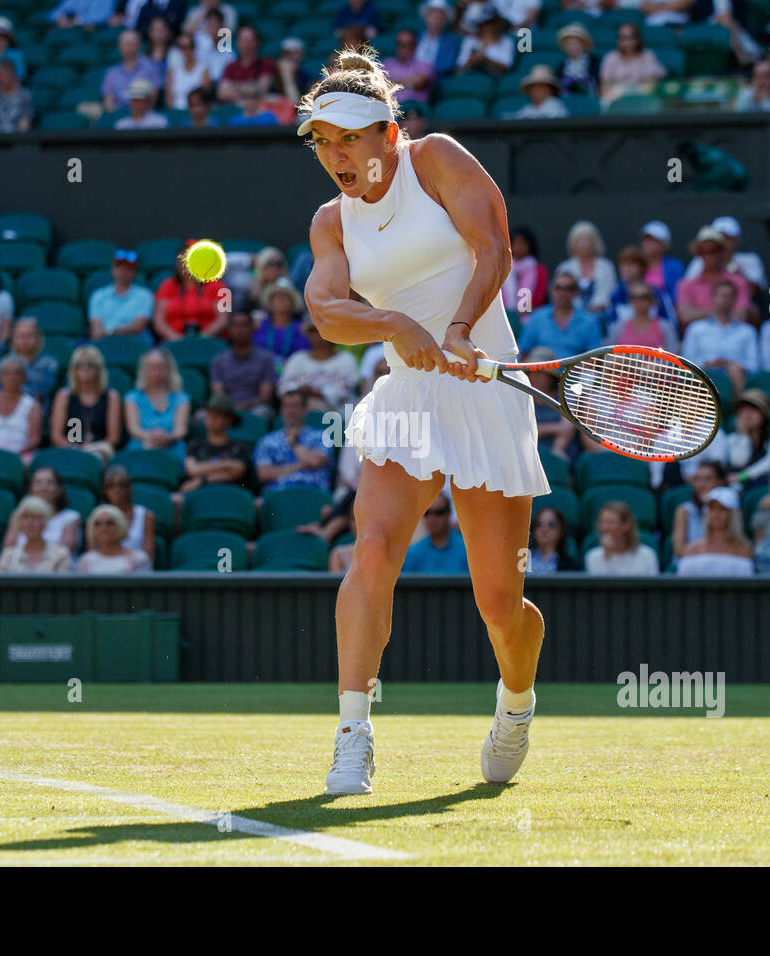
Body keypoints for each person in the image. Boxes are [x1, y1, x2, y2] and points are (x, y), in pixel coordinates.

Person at [298, 49, 550, 795]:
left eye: (349, 138)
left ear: (387, 131)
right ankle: (352, 735)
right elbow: (325, 310)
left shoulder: (435, 159)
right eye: (323, 141)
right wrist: (395, 324)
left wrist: (464, 326)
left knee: (500, 603)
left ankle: (516, 702)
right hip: (408, 398)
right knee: (371, 550)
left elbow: (493, 248)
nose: (336, 155)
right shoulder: (330, 222)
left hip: (487, 391)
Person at [680, 277, 758, 392]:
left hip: (735, 377)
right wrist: (708, 364)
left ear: (734, 299)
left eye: (729, 296)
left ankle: (737, 408)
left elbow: (754, 365)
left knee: (735, 370)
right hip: (703, 376)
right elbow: (686, 362)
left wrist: (730, 364)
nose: (725, 300)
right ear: (713, 298)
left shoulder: (747, 331)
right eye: (721, 296)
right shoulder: (696, 328)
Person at [50, 344, 123, 462]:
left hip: (100, 449)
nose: (85, 368)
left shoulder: (111, 396)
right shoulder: (64, 396)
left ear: (99, 369)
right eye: (80, 365)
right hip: (70, 448)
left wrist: (91, 448)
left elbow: (113, 438)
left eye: (90, 364)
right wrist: (74, 447)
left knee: (97, 458)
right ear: (74, 370)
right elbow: (56, 436)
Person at [254, 388, 332, 495]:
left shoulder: (321, 436)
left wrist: (294, 444)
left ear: (305, 409)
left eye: (296, 406)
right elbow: (263, 474)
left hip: (313, 493)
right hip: (278, 494)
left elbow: (315, 461)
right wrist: (300, 465)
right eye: (287, 406)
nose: (291, 411)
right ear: (281, 410)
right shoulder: (268, 441)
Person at [674, 227, 752, 329]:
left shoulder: (738, 282)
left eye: (713, 251)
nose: (709, 255)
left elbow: (741, 316)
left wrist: (700, 313)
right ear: (699, 254)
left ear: (722, 253)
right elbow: (685, 316)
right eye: (703, 251)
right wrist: (721, 311)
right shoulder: (685, 285)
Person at [277, 319, 359, 413]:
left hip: (338, 415)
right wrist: (300, 390)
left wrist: (319, 393)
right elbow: (283, 387)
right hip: (300, 411)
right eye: (313, 332)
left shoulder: (346, 359)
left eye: (321, 331)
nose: (317, 336)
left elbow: (346, 389)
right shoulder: (297, 358)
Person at [153, 241, 230, 341]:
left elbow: (224, 319)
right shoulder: (167, 285)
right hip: (173, 341)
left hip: (210, 341)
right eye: (182, 259)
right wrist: (177, 340)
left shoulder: (219, 286)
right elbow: (159, 321)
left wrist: (201, 338)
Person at [124, 347, 190, 460]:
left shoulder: (181, 398)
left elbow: (180, 430)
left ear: (169, 369)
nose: (156, 372)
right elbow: (134, 429)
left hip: (172, 446)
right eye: (151, 368)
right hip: (141, 444)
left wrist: (167, 438)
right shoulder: (132, 397)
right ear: (143, 370)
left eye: (161, 367)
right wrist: (150, 437)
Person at [208, 311, 276, 420]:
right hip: (225, 408)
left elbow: (265, 396)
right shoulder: (219, 360)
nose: (239, 330)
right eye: (235, 325)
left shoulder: (266, 359)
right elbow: (218, 393)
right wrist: (232, 407)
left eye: (244, 325)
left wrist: (244, 406)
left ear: (252, 328)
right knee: (202, 416)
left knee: (262, 412)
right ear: (229, 330)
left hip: (255, 407)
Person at [182, 393, 255, 492]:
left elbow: (238, 471)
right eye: (209, 414)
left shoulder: (241, 447)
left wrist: (202, 479)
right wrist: (227, 464)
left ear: (229, 420)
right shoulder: (195, 445)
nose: (212, 418)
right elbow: (193, 470)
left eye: (217, 415)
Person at [676, 486, 755, 576]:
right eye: (712, 508)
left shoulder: (743, 551)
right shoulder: (692, 550)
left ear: (733, 514)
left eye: (722, 509)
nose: (716, 514)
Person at [4, 466, 81, 554]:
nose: (43, 488)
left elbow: (64, 551)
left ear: (59, 489)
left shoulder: (70, 517)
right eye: (38, 483)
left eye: (50, 483)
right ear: (31, 488)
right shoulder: (18, 515)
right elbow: (8, 550)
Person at [524, 347, 576, 461]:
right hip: (529, 454)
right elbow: (523, 431)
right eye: (531, 372)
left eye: (540, 373)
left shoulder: (565, 395)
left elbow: (567, 427)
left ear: (551, 377)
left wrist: (557, 448)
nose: (534, 377)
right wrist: (555, 427)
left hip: (560, 454)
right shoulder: (522, 397)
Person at [553, 220, 616, 315]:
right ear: (573, 244)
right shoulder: (564, 267)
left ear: (595, 243)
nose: (583, 245)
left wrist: (592, 311)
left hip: (601, 315)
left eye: (587, 241)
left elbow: (607, 295)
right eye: (579, 241)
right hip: (571, 316)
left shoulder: (606, 266)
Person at [89, 249, 154, 342]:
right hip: (106, 342)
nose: (123, 272)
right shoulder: (98, 295)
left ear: (134, 273)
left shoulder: (145, 295)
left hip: (134, 342)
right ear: (113, 270)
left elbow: (139, 326)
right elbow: (96, 331)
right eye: (119, 267)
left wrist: (110, 331)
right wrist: (110, 333)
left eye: (128, 269)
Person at [0, 496, 73, 573]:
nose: (30, 523)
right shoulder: (8, 555)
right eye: (25, 517)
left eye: (36, 517)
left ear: (45, 521)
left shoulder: (61, 555)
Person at [726, 388, 770, 489]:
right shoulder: (732, 439)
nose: (747, 415)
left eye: (753, 410)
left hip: (765, 483)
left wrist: (743, 476)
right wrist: (743, 435)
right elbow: (739, 462)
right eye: (743, 410)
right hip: (739, 486)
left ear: (764, 414)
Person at [0, 318, 61, 411]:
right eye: (21, 336)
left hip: (38, 412)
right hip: (7, 410)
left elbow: (43, 390)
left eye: (29, 336)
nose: (25, 340)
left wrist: (13, 389)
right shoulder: (4, 363)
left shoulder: (49, 363)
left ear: (38, 338)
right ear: (13, 339)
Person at [598, 21, 665, 105]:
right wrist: (612, 94)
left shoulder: (647, 56)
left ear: (637, 39)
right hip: (616, 95)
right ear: (618, 40)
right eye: (623, 38)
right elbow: (605, 85)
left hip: (641, 94)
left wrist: (633, 95)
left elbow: (650, 83)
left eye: (630, 38)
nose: (627, 42)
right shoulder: (610, 57)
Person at [584, 501, 658, 575]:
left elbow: (653, 585)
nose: (605, 528)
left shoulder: (647, 555)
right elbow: (598, 585)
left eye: (611, 522)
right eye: (603, 522)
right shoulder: (592, 557)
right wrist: (606, 556)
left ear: (626, 525)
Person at [102, 464, 156, 564]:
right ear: (105, 490)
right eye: (110, 485)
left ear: (129, 487)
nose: (116, 490)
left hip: (135, 570)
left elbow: (148, 558)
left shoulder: (146, 516)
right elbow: (92, 554)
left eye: (121, 485)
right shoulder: (100, 516)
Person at [401, 494, 470, 572]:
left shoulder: (468, 551)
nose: (432, 519)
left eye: (438, 512)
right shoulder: (412, 553)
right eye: (427, 512)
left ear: (449, 513)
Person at [607, 279, 680, 352]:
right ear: (629, 300)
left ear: (652, 300)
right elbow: (609, 358)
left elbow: (673, 357)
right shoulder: (618, 327)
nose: (639, 301)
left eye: (644, 297)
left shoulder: (664, 327)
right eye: (634, 297)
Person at [77, 504, 152, 574]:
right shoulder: (85, 560)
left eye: (109, 523)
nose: (103, 528)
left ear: (121, 525)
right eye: (97, 524)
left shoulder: (140, 559)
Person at [102, 29, 163, 111]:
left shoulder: (151, 68)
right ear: (119, 46)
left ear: (139, 45)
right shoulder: (111, 72)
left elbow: (152, 100)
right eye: (125, 44)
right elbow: (108, 103)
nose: (128, 47)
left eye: (131, 43)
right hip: (119, 119)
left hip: (143, 117)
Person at [672, 460, 725, 556]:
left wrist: (709, 506)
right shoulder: (684, 511)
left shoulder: (729, 510)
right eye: (697, 479)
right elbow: (679, 551)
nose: (701, 485)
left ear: (720, 482)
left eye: (707, 479)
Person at [251, 278, 310, 361]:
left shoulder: (301, 329)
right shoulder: (259, 326)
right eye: (277, 296)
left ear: (292, 303)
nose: (281, 299)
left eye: (285, 296)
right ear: (270, 303)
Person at [455, 8, 515, 77]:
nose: (488, 28)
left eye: (491, 24)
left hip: (493, 78)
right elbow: (459, 68)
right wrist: (472, 61)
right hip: (471, 75)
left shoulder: (507, 41)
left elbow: (506, 67)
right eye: (485, 24)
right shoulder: (470, 40)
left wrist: (485, 60)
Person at [501, 227, 547, 316]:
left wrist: (524, 310)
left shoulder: (539, 270)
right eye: (516, 243)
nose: (519, 247)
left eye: (523, 243)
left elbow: (540, 298)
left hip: (531, 318)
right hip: (506, 317)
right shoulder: (503, 268)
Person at [384, 29, 435, 105]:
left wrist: (391, 84)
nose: (404, 49)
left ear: (415, 46)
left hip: (414, 109)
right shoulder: (387, 64)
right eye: (401, 45)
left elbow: (420, 82)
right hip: (389, 108)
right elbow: (380, 85)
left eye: (409, 45)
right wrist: (409, 83)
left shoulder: (424, 65)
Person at [638, 220, 684, 300]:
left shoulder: (675, 267)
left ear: (664, 244)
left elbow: (676, 297)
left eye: (653, 240)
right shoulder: (637, 265)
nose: (648, 244)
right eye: (646, 240)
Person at [526, 506, 580, 573]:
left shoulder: (571, 566)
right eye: (539, 524)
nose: (544, 529)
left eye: (551, 524)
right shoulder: (519, 560)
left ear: (561, 530)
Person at [415, 0, 460, 79]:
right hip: (411, 76)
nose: (435, 21)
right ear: (426, 17)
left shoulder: (450, 42)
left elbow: (446, 65)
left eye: (439, 17)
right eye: (431, 16)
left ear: (444, 20)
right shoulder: (416, 37)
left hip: (434, 80)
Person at [0, 58, 33, 134]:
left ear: (13, 74)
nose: (4, 77)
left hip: (16, 138)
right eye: (0, 74)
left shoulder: (24, 95)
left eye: (7, 73)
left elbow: (25, 123)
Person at [555, 22, 597, 97]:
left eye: (575, 43)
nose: (572, 47)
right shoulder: (561, 65)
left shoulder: (594, 61)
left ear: (583, 44)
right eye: (569, 43)